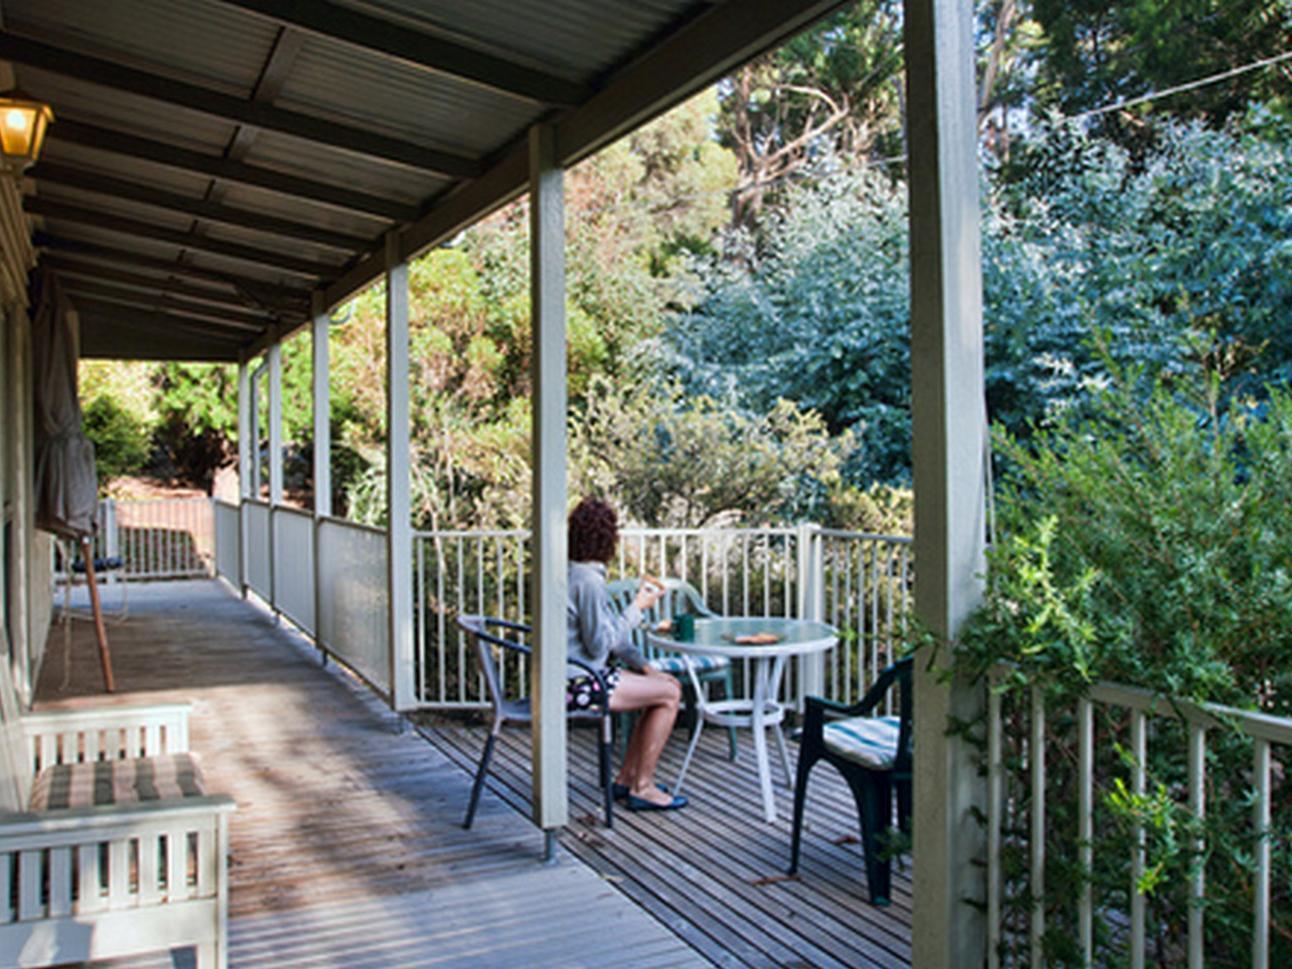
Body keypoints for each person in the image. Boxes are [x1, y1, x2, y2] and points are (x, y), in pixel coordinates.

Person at [567, 496, 688, 811]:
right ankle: (642, 787)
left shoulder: (579, 573)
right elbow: (601, 645)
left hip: (579, 676)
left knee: (664, 687)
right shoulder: (587, 582)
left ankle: (625, 780)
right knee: (670, 695)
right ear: (608, 539)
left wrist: (646, 668)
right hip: (577, 684)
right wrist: (637, 608)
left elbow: (613, 641)